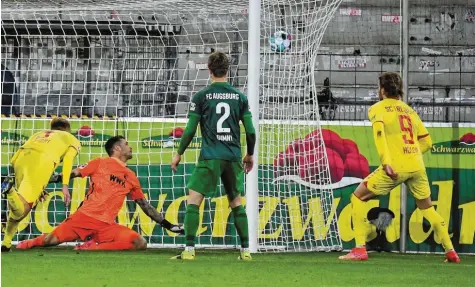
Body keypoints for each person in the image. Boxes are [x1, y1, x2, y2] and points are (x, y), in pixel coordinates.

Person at [338, 72, 460, 263]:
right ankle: (451, 252)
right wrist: (411, 154)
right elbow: (427, 142)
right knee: (427, 208)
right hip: (416, 166)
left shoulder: (377, 108)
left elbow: (379, 135)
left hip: (394, 166)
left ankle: (359, 248)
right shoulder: (409, 111)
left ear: (383, 90)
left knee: (358, 197)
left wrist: (387, 162)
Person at [16, 136, 183, 251]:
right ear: (117, 148)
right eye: (126, 144)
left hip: (106, 225)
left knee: (140, 243)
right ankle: (30, 242)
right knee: (49, 241)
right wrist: (49, 179)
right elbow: (73, 173)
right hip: (84, 218)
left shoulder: (131, 177)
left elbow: (144, 205)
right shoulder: (100, 163)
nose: (130, 147)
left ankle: (92, 246)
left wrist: (168, 225)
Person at [170, 51, 256, 260]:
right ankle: (245, 251)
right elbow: (251, 131)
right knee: (236, 201)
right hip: (233, 156)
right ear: (228, 70)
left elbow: (189, 130)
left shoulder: (201, 96)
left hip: (210, 156)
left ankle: (189, 250)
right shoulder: (240, 97)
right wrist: (250, 155)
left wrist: (179, 153)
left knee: (194, 199)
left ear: (209, 70)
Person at [1, 118, 80, 252]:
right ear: (67, 129)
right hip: (42, 161)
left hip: (20, 159)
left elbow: (14, 160)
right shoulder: (70, 138)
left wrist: (39, 184)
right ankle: (9, 191)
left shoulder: (38, 134)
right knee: (21, 210)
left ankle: (6, 243)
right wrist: (65, 185)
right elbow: (68, 160)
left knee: (19, 206)